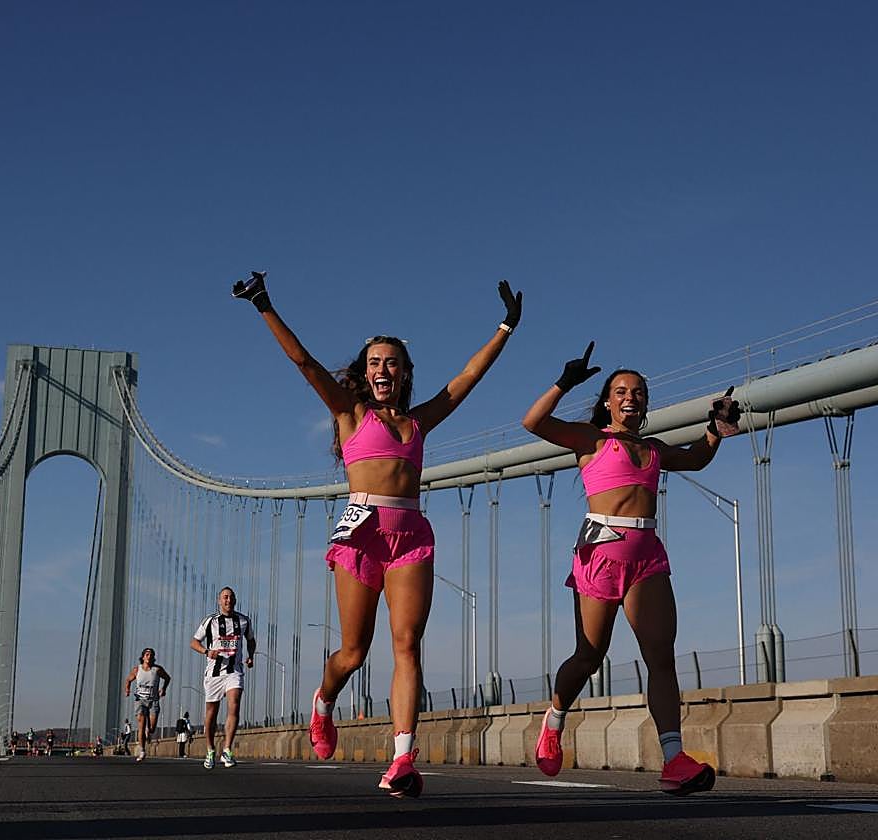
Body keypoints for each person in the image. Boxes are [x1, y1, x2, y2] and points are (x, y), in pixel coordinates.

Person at [232, 271, 522, 797]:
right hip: (360, 535)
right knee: (354, 652)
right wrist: (264, 304)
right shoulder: (349, 412)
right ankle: (323, 702)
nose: (382, 369)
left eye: (391, 362)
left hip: (410, 533)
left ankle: (403, 759)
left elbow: (466, 379)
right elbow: (303, 362)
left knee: (407, 644)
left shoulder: (420, 422)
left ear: (405, 372)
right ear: (365, 374)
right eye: (374, 363)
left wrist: (505, 327)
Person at [522, 342, 740, 796]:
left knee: (661, 657)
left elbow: (696, 457)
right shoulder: (591, 439)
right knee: (589, 655)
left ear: (645, 402)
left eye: (639, 391)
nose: (631, 397)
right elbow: (534, 422)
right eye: (621, 391)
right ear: (607, 401)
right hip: (600, 555)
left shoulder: (654, 449)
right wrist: (564, 382)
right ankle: (555, 718)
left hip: (647, 557)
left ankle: (674, 759)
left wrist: (717, 428)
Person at [190, 586, 256, 770]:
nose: (228, 600)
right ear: (219, 601)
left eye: (231, 597)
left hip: (234, 671)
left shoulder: (243, 621)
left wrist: (251, 656)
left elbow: (251, 640)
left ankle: (227, 749)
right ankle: (210, 749)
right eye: (225, 597)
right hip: (214, 673)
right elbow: (194, 642)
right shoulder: (210, 621)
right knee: (211, 713)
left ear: (235, 600)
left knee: (234, 703)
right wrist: (206, 651)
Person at [123, 647, 171, 762]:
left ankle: (148, 731)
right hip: (140, 700)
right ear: (143, 657)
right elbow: (128, 680)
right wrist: (127, 690)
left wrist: (163, 689)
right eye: (147, 654)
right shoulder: (137, 670)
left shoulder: (157, 670)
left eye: (151, 655)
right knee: (141, 725)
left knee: (152, 729)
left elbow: (167, 678)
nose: (149, 656)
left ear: (153, 658)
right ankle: (142, 750)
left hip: (153, 700)